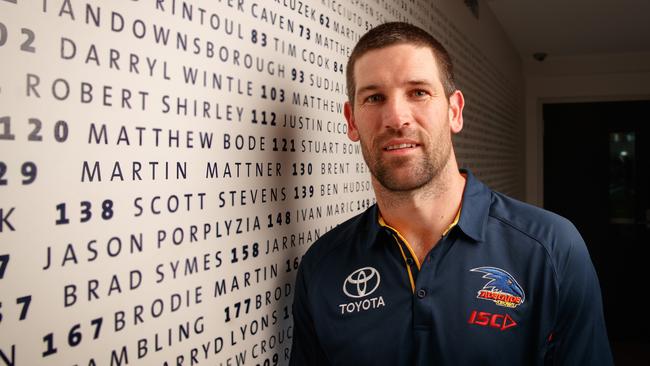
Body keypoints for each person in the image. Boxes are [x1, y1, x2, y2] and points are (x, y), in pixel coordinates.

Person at [288, 22, 613, 365]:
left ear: (454, 111)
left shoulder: (552, 247)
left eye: (418, 92)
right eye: (374, 98)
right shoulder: (321, 267)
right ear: (352, 121)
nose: (396, 118)